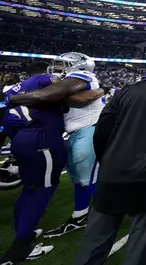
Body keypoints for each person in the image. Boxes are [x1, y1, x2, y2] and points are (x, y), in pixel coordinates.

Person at [72, 48, 146, 265]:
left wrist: (108, 161)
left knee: (93, 244)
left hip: (113, 174)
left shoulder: (127, 90)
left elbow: (102, 131)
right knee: (139, 247)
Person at [0, 62, 68, 262]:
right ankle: (20, 248)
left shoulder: (14, 88)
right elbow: (63, 96)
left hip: (20, 140)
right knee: (42, 190)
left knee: (29, 189)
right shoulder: (44, 79)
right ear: (46, 71)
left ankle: (23, 233)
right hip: (42, 140)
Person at [43, 52, 108, 238]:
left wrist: (51, 92)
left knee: (91, 179)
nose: (59, 68)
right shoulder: (78, 80)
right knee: (79, 180)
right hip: (77, 131)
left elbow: (77, 99)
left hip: (89, 130)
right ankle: (80, 215)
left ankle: (106, 218)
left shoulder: (83, 76)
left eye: (64, 64)